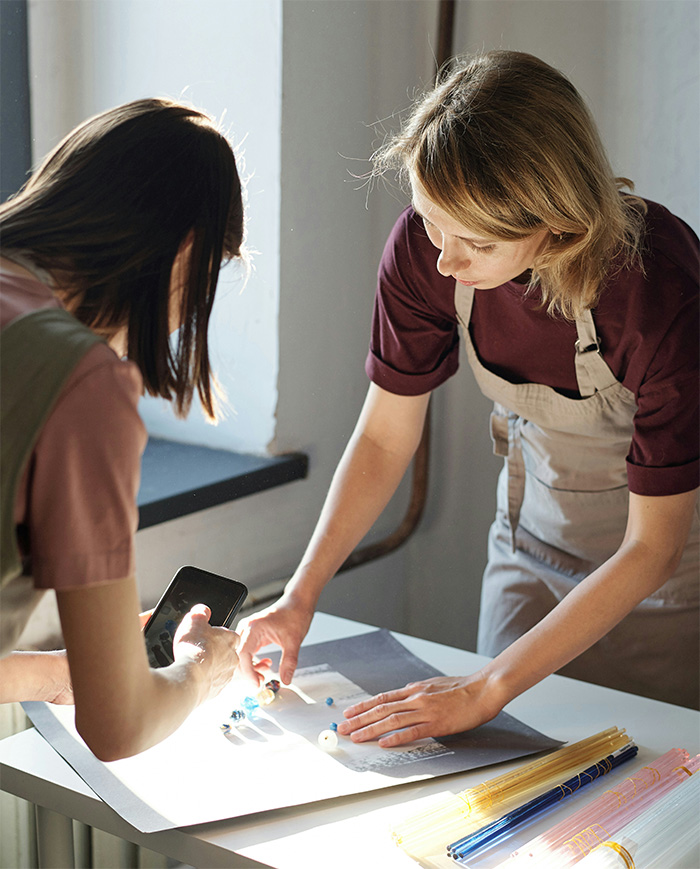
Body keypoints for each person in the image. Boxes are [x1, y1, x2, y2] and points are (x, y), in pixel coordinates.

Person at [237, 50, 699, 747]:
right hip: (529, 547)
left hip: (665, 580)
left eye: (476, 243)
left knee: (649, 778)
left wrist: (486, 688)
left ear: (559, 225)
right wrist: (299, 596)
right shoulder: (426, 252)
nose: (444, 259)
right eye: (431, 221)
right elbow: (384, 437)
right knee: (497, 768)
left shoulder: (656, 288)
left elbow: (652, 547)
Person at [0, 98, 244, 760]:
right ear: (188, 251)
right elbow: (119, 727)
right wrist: (198, 669)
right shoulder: (81, 383)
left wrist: (66, 673)